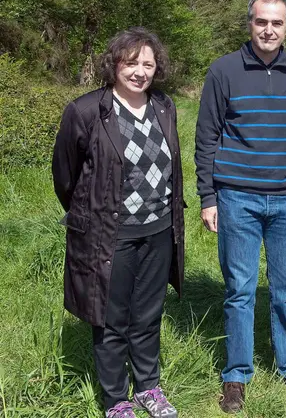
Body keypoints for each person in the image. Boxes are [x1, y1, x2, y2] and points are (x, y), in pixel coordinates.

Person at [194, 0, 286, 413]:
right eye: (261, 21)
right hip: (236, 197)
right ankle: (236, 374)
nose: (269, 29)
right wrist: (207, 197)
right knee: (240, 290)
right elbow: (207, 136)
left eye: (277, 23)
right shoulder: (223, 70)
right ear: (249, 23)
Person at [52, 27, 184, 418]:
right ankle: (116, 400)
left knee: (147, 315)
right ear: (115, 64)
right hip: (110, 236)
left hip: (159, 230)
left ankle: (148, 388)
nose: (140, 71)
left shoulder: (164, 105)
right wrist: (92, 211)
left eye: (148, 63)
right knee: (110, 321)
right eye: (132, 63)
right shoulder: (87, 110)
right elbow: (66, 175)